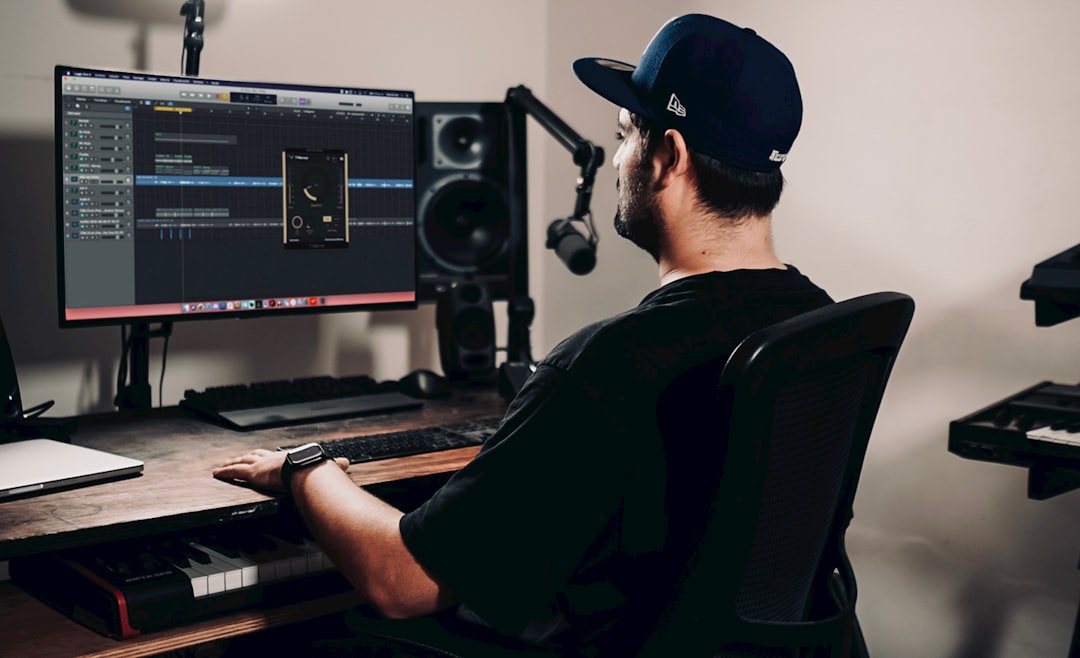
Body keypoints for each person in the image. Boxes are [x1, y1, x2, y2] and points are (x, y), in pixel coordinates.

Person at [212, 13, 833, 657]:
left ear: (667, 159)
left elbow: (399, 582)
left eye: (624, 136)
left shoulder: (612, 363)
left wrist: (306, 468)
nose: (618, 160)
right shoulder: (818, 326)